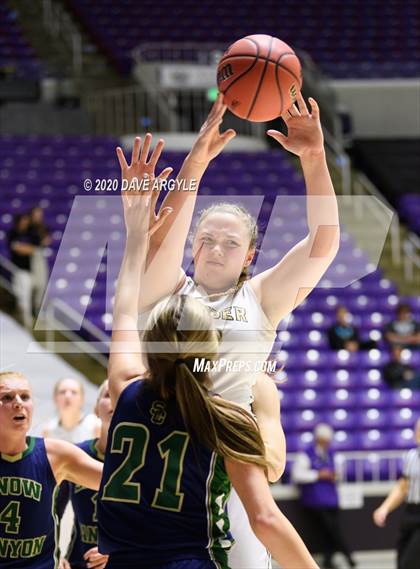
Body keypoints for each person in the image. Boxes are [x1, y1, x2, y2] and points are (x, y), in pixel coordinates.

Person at [117, 92, 339, 567]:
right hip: (163, 461)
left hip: (227, 459)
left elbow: (322, 243)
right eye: (206, 239)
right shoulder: (168, 295)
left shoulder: (260, 298)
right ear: (192, 246)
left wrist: (315, 159)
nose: (216, 249)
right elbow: (157, 245)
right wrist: (195, 162)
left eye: (230, 242)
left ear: (249, 256)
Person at [97, 183, 319, 569]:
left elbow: (122, 308)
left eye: (230, 243)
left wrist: (136, 237)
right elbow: (268, 506)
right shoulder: (226, 419)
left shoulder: (127, 390)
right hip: (194, 548)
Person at [0, 370, 103, 569]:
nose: (19, 402)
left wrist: (121, 545)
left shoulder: (55, 453)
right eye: (7, 397)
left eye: (25, 396)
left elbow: (127, 488)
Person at [292, 424, 356, 569]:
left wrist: (334, 475)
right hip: (315, 501)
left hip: (331, 499)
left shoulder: (333, 455)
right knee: (330, 530)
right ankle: (348, 556)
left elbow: (339, 473)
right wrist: (318, 475)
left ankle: (328, 561)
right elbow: (297, 475)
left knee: (329, 532)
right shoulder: (306, 455)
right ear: (318, 439)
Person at [62, 381, 112, 569]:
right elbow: (51, 513)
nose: (114, 401)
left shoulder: (145, 459)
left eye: (121, 396)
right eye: (108, 395)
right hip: (78, 562)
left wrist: (116, 550)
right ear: (96, 409)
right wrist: (55, 554)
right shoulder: (76, 454)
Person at [373, 418, 420, 569]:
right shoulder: (411, 456)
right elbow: (403, 487)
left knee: (410, 562)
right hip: (411, 511)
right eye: (417, 427)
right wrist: (384, 508)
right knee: (401, 560)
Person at [42, 377, 100, 443]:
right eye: (62, 392)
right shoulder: (48, 430)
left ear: (82, 399)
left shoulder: (96, 425)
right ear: (55, 398)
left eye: (74, 392)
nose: (68, 396)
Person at [7, 213, 35, 328]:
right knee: (19, 295)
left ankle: (27, 320)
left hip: (27, 271)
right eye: (23, 220)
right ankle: (22, 319)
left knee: (25, 296)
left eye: (26, 221)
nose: (25, 223)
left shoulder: (30, 234)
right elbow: (15, 248)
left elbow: (32, 249)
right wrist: (24, 248)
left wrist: (23, 248)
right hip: (16, 269)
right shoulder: (13, 233)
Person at [28, 206, 51, 314]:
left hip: (40, 254)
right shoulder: (29, 227)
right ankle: (32, 305)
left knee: (42, 283)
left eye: (40, 214)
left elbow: (47, 239)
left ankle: (37, 307)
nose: (38, 216)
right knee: (35, 283)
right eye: (37, 214)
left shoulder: (43, 226)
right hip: (32, 253)